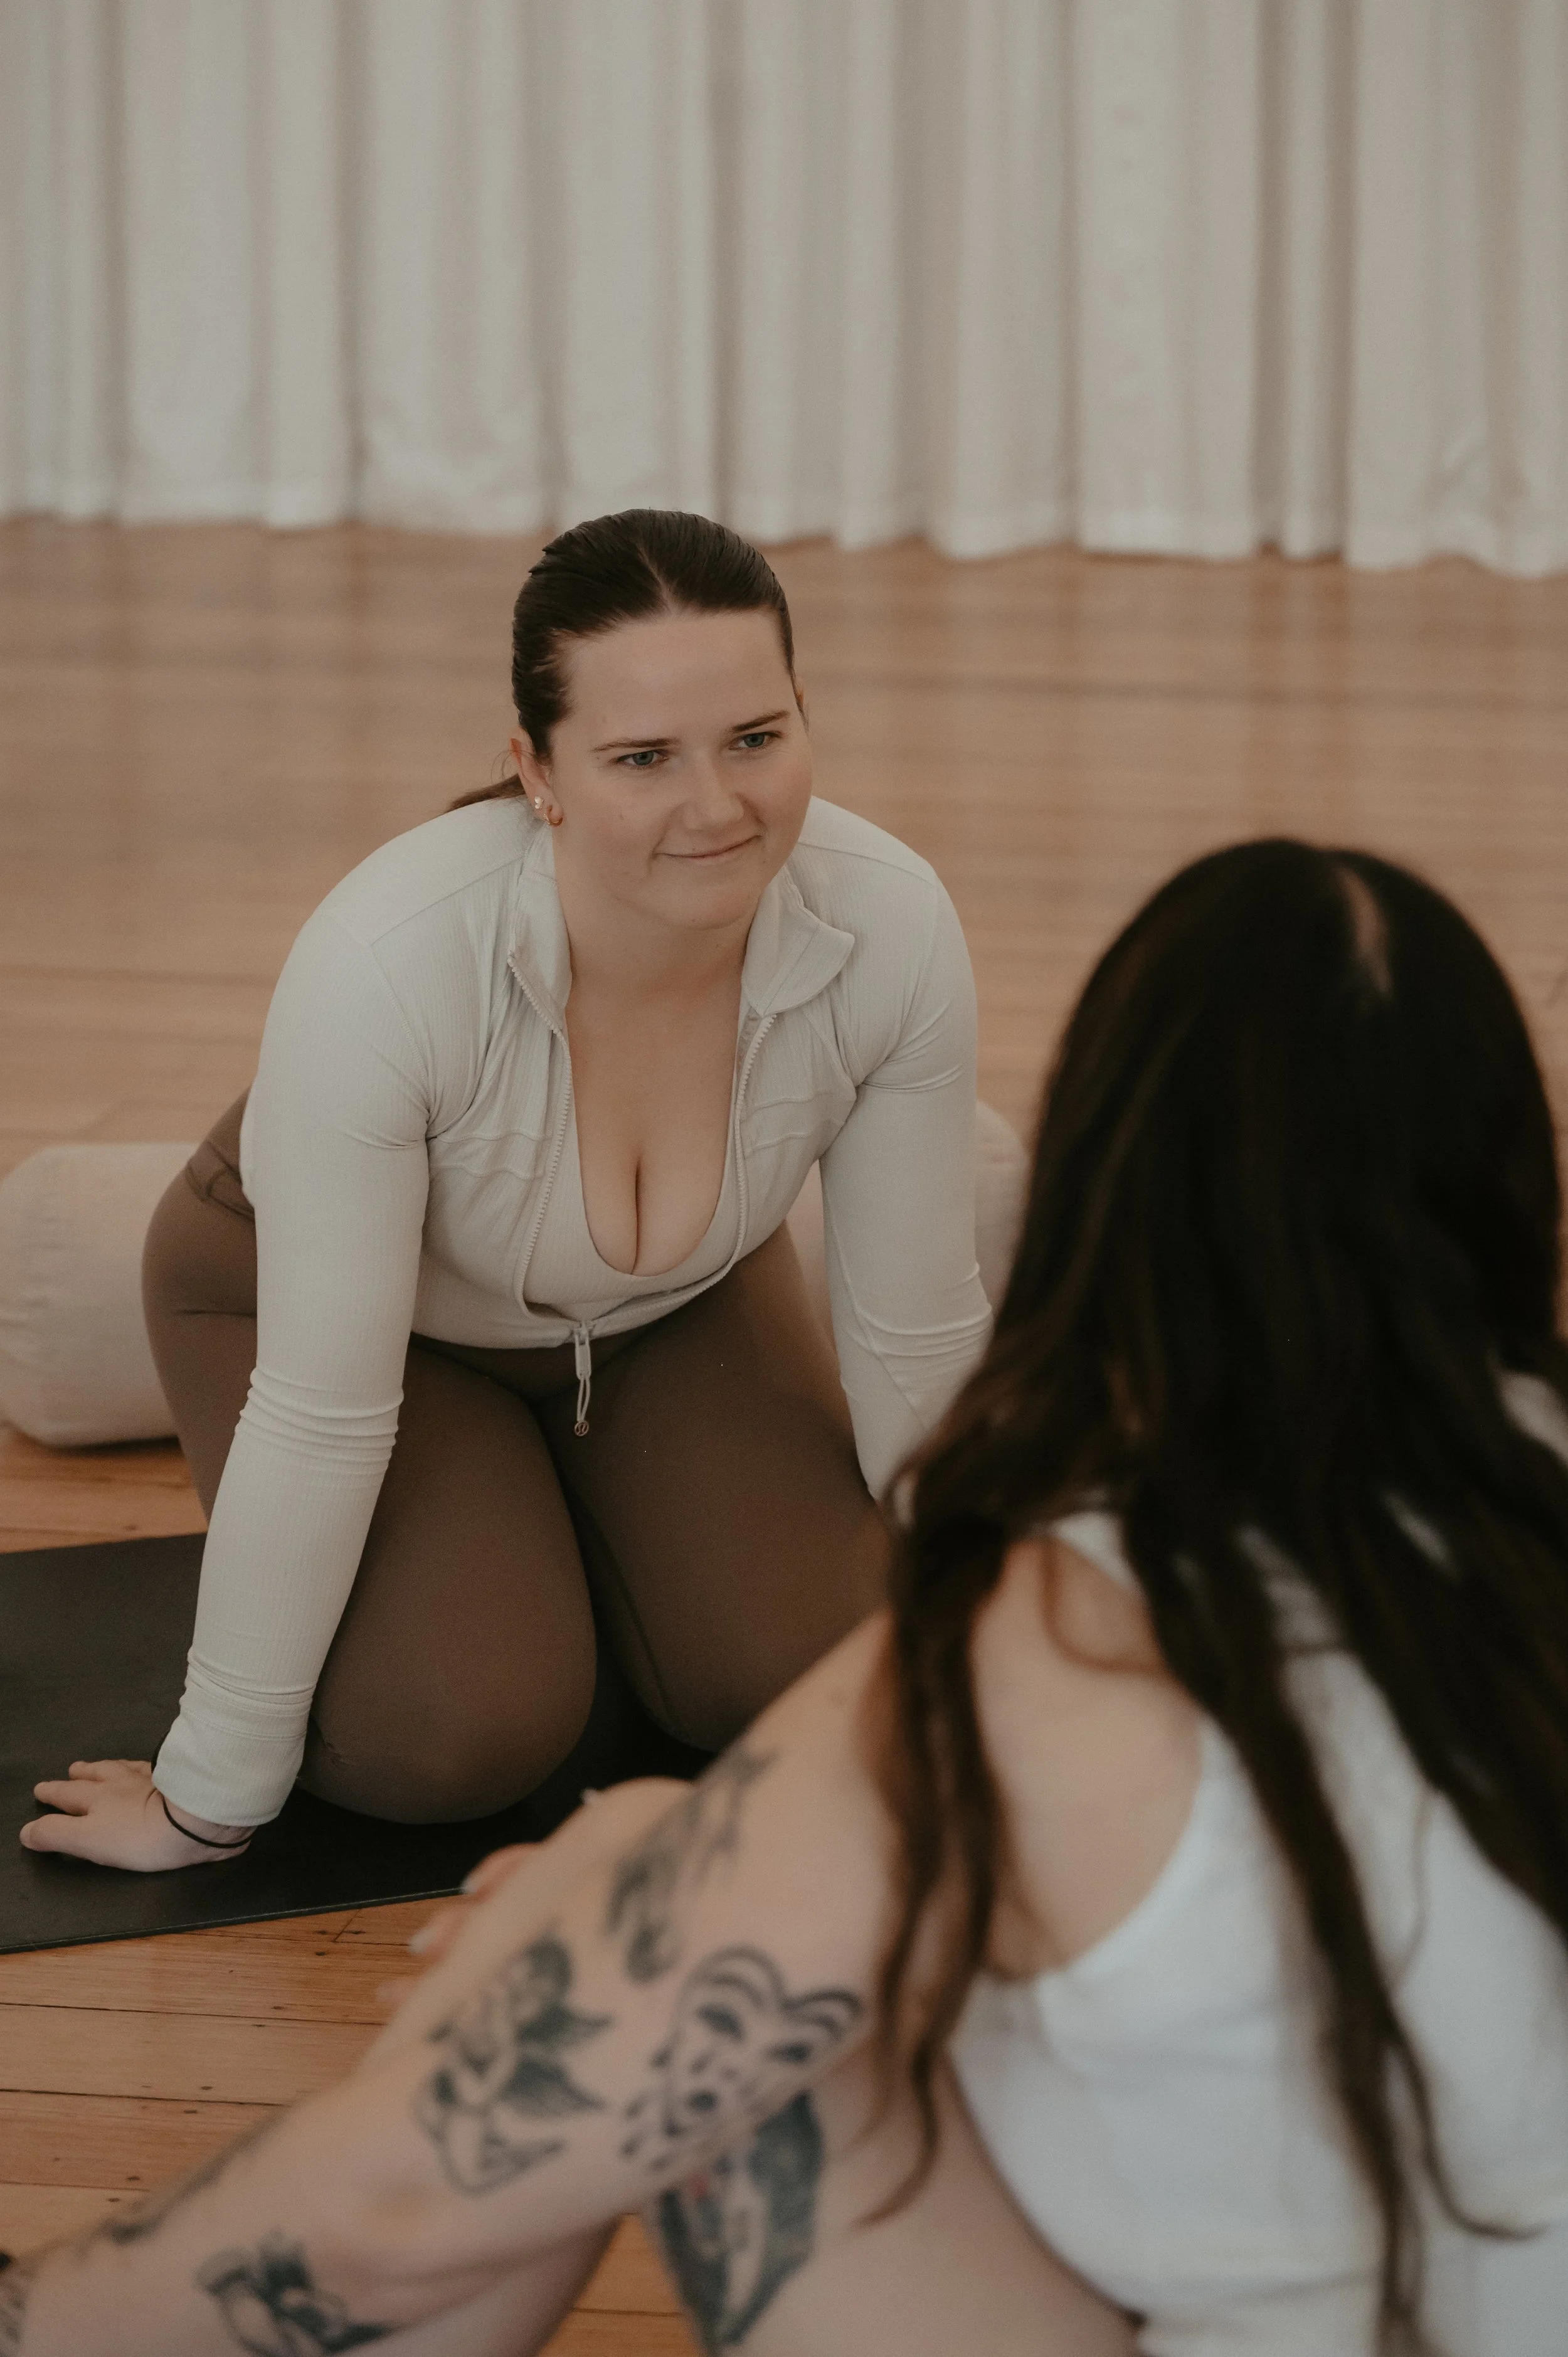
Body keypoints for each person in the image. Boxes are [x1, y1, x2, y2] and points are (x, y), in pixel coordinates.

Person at [11, 837, 1568, 2357]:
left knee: (650, 2006)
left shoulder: (1058, 1634)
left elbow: (410, 2199)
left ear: (1108, 1196)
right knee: (664, 1880)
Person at [21, 510, 990, 1873]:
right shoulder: (389, 959)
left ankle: (583, 1525)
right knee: (457, 1734)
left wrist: (1000, 1683)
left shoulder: (889, 924)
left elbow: (916, 1338)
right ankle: (522, 1548)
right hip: (350, 1331)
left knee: (831, 1676)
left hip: (666, 1305)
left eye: (755, 739)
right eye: (641, 757)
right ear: (536, 770)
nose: (715, 806)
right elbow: (320, 1416)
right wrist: (204, 1798)